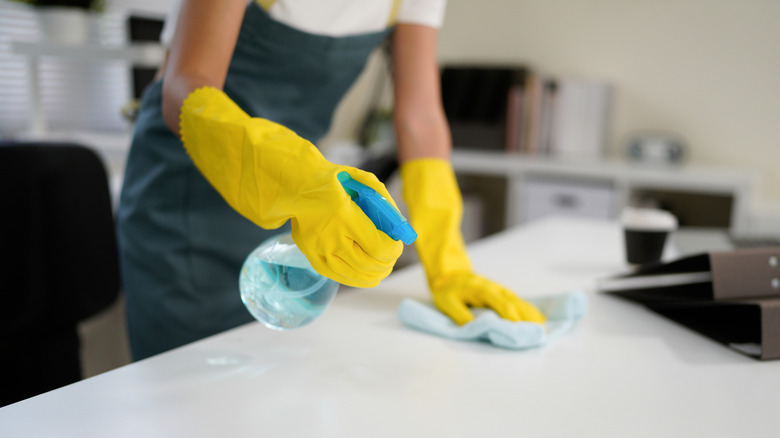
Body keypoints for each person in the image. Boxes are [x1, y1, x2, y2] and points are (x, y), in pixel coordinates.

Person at [117, 0, 545, 361]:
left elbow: (421, 118)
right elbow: (184, 85)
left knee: (267, 381)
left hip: (293, 203)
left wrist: (448, 264)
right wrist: (296, 177)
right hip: (186, 194)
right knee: (191, 388)